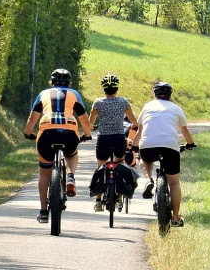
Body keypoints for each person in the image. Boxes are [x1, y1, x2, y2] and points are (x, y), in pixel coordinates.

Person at [24, 68, 92, 223]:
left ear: (51, 82)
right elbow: (84, 120)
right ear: (70, 83)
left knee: (44, 173)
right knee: (72, 153)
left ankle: (43, 211)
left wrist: (28, 133)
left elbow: (31, 119)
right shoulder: (74, 94)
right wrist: (87, 135)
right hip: (69, 131)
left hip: (46, 132)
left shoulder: (43, 94)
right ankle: (70, 176)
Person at [131, 81, 195, 227]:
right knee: (174, 182)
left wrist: (135, 147)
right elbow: (184, 130)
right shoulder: (176, 108)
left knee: (145, 160)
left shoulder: (147, 106)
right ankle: (176, 217)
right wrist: (190, 144)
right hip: (170, 147)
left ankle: (148, 179)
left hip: (148, 145)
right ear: (170, 95)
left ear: (155, 94)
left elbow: (140, 132)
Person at [88, 74, 139, 212]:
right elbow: (133, 120)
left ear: (103, 89)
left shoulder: (98, 103)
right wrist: (134, 125)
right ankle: (118, 196)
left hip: (103, 139)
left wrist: (91, 127)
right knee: (120, 163)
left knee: (100, 168)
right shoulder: (123, 102)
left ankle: (98, 201)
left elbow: (90, 123)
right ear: (116, 88)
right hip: (118, 138)